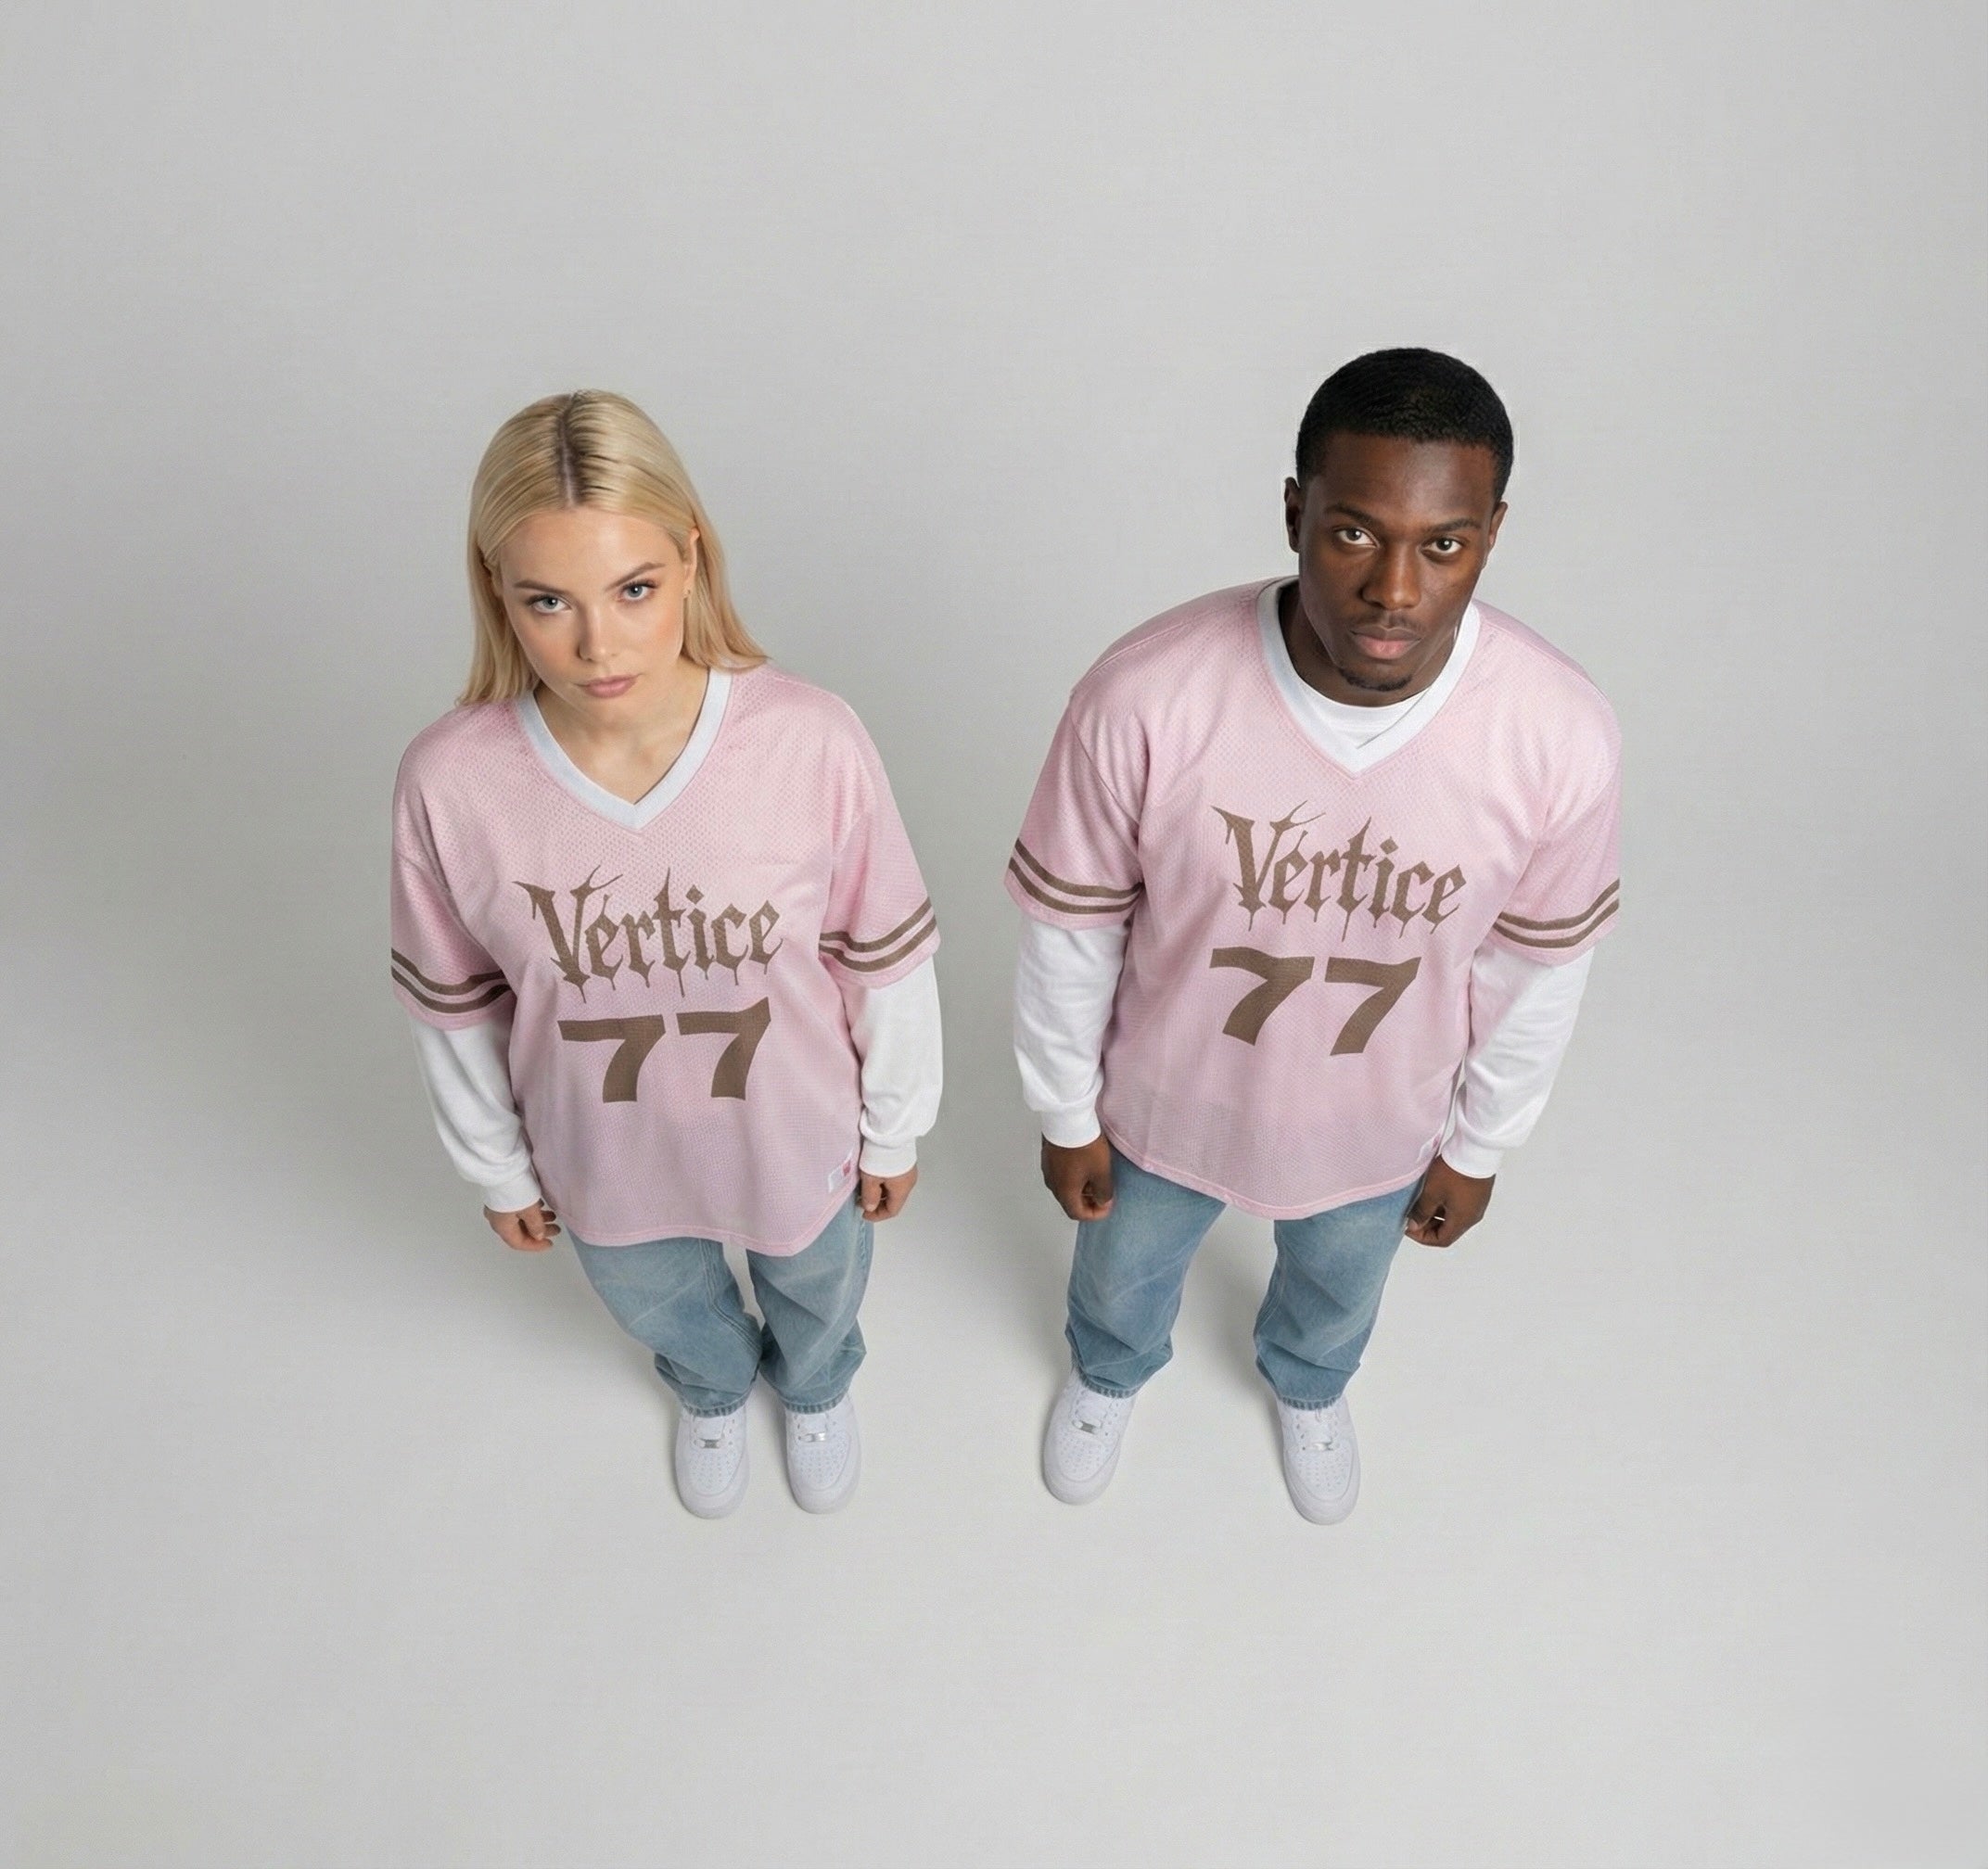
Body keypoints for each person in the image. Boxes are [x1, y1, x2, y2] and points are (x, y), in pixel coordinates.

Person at [1008, 349, 1619, 1521]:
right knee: (1122, 1276)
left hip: (1379, 1120)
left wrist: (1479, 1145)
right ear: (1293, 511)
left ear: (1491, 535)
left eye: (1442, 545)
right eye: (1352, 534)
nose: (1393, 588)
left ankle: (1309, 1384)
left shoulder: (1555, 731)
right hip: (1163, 1103)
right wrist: (1064, 1110)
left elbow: (1535, 970)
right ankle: (1107, 1372)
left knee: (1338, 1291)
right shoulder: (1145, 694)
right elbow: (1070, 933)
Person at [392, 391, 940, 1519]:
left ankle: (816, 1385)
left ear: (689, 560)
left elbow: (880, 956)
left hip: (793, 1127)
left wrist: (895, 1121)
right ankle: (709, 1383)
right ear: (496, 589)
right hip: (601, 1148)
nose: (596, 644)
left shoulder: (808, 740)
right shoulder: (451, 783)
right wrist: (498, 1167)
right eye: (548, 601)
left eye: (632, 589)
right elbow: (453, 1003)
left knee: (819, 1281)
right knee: (652, 1294)